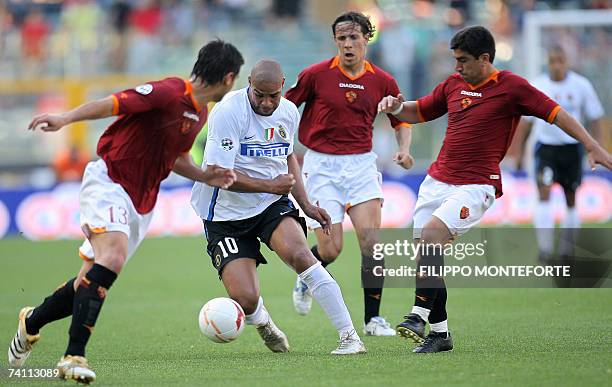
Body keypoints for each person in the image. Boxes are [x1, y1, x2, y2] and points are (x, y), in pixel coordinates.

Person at [9, 40, 244, 382]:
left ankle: (30, 322)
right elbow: (112, 104)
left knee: (87, 280)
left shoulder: (200, 113)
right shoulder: (168, 92)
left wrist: (205, 174)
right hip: (110, 181)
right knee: (113, 258)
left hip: (141, 201)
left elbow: (178, 159)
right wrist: (65, 118)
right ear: (229, 77)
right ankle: (73, 356)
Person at [378, 26, 612, 353]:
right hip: (436, 182)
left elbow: (556, 114)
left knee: (431, 238)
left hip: (476, 185)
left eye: (463, 61)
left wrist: (591, 145)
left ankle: (417, 316)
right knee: (427, 259)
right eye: (455, 60)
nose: (457, 67)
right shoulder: (453, 84)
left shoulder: (512, 87)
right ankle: (441, 334)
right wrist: (396, 107)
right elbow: (420, 111)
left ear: (485, 59)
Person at [191, 59, 366, 355]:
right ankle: (264, 325)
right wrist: (270, 185)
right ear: (249, 84)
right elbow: (219, 175)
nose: (266, 102)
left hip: (269, 205)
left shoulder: (286, 111)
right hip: (224, 215)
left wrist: (307, 204)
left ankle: (350, 337)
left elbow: (286, 159)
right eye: (260, 94)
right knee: (245, 299)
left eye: (273, 95)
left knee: (301, 255)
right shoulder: (228, 112)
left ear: (283, 86)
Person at [284, 11, 413, 337]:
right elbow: (286, 109)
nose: (347, 44)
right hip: (322, 166)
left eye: (354, 37)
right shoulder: (315, 75)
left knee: (372, 243)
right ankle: (306, 276)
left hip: (360, 166)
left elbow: (402, 118)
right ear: (335, 41)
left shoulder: (382, 80)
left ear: (366, 39)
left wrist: (404, 149)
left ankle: (373, 320)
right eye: (341, 38)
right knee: (331, 249)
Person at [514, 45, 604, 263]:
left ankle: (567, 249)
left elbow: (595, 117)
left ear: (567, 62)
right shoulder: (538, 86)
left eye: (560, 61)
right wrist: (518, 153)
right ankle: (544, 250)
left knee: (571, 198)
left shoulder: (581, 85)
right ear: (547, 62)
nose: (556, 65)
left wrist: (596, 146)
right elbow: (524, 124)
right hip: (546, 149)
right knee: (543, 193)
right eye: (552, 61)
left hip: (571, 150)